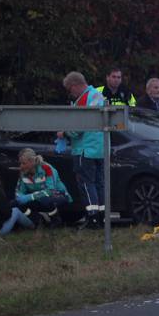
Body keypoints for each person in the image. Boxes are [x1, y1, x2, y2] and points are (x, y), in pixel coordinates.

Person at [60, 71, 106, 229]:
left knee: (86, 184)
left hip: (84, 149)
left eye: (70, 89)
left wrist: (64, 133)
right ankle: (101, 217)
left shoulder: (84, 99)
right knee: (99, 184)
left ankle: (92, 217)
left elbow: (79, 127)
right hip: (100, 148)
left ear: (74, 85)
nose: (70, 93)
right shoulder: (98, 96)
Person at [6, 148, 73, 233]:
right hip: (37, 197)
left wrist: (30, 197)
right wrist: (20, 197)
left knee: (45, 200)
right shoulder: (23, 172)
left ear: (32, 162)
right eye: (20, 163)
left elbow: (50, 190)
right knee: (15, 203)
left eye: (23, 163)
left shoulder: (47, 168)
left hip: (59, 195)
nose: (21, 166)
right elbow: (19, 192)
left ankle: (56, 220)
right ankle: (37, 220)